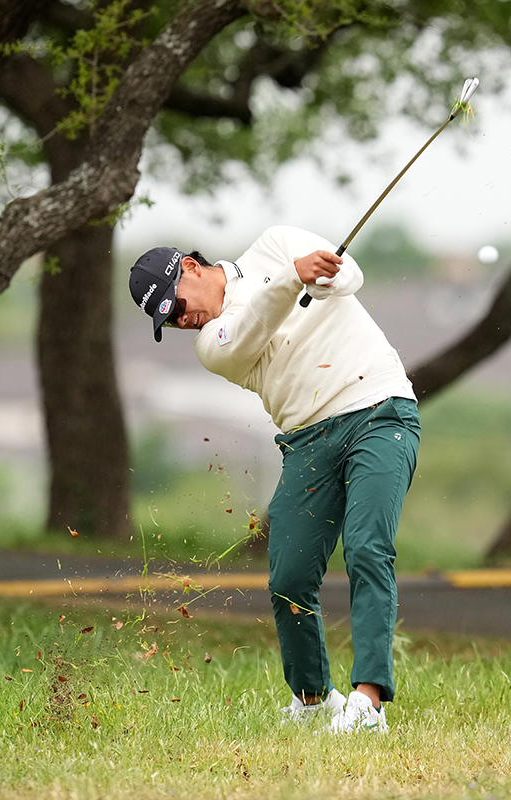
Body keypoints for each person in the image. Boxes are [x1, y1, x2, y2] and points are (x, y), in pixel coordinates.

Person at [128, 226, 421, 733]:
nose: (180, 320)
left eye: (175, 305)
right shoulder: (212, 344)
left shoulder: (277, 242)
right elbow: (251, 330)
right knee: (289, 577)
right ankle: (312, 701)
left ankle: (368, 702)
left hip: (380, 410)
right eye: (168, 321)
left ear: (191, 268)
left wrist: (321, 276)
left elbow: (349, 276)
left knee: (367, 548)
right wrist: (292, 279)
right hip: (308, 440)